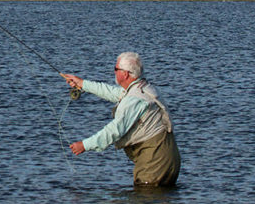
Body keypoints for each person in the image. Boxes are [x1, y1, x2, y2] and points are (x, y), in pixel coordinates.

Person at [62, 52, 181, 187]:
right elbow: (112, 92)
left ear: (124, 74)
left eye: (115, 69)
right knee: (156, 203)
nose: (114, 71)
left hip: (155, 163)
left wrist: (85, 145)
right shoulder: (142, 87)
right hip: (167, 159)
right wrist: (83, 84)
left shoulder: (135, 99)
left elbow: (115, 130)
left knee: (145, 201)